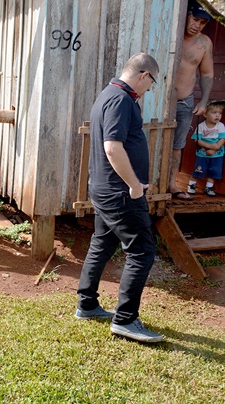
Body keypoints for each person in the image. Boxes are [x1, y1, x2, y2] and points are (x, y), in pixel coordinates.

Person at [75, 53, 164, 343]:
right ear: (143, 75)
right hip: (120, 192)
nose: (150, 88)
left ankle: (87, 305)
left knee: (103, 242)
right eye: (152, 82)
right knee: (142, 251)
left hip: (105, 188)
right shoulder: (121, 100)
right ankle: (125, 320)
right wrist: (135, 185)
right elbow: (112, 147)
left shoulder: (109, 93)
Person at [170, 2, 214, 200]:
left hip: (185, 101)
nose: (197, 25)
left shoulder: (204, 43)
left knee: (177, 145)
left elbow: (207, 74)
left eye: (203, 22)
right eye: (195, 19)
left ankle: (171, 184)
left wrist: (204, 101)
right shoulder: (171, 33)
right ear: (187, 15)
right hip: (160, 99)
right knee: (148, 140)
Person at [186, 101, 225, 196]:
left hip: (217, 155)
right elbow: (197, 140)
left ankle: (209, 187)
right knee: (198, 170)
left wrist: (216, 148)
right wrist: (210, 147)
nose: (217, 116)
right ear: (205, 114)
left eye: (219, 113)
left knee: (214, 171)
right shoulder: (201, 126)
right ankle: (191, 185)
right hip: (203, 154)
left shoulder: (221, 126)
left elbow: (222, 138)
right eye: (214, 113)